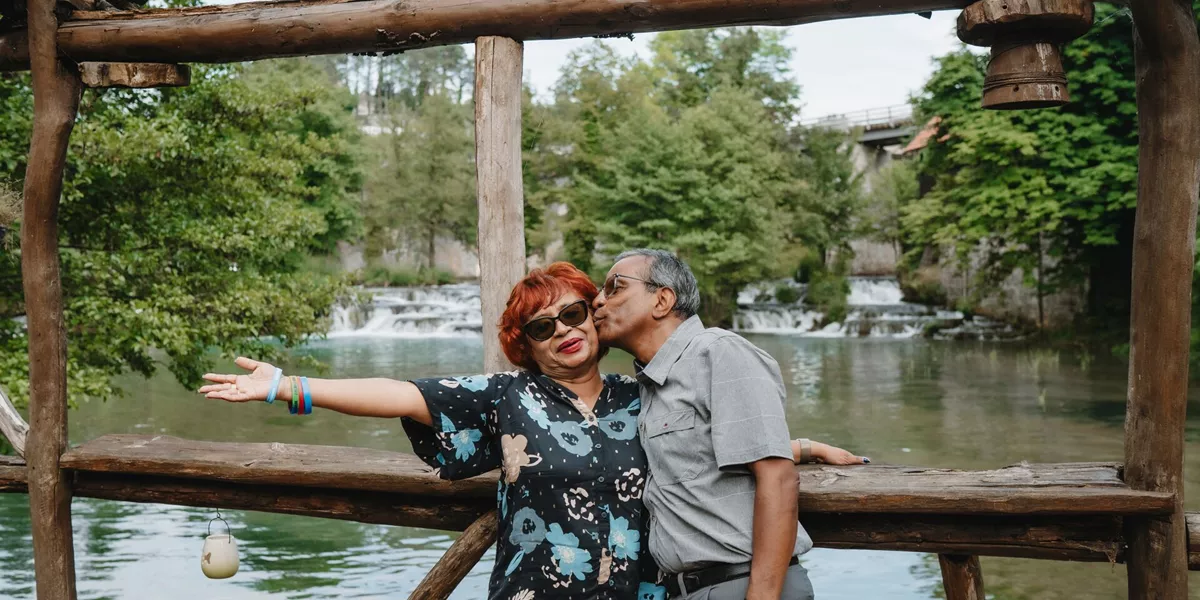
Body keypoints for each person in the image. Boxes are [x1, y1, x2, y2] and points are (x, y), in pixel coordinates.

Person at [199, 262, 862, 600]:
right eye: (542, 326)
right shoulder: (506, 398)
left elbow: (700, 447)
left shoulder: (646, 393)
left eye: (576, 313)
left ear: (595, 321)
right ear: (525, 344)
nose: (566, 331)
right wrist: (290, 386)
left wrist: (797, 447)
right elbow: (402, 392)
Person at [592, 249, 862, 600]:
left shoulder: (719, 353)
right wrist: (804, 447)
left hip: (744, 585)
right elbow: (702, 459)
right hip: (689, 589)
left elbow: (777, 479)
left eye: (615, 287)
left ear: (662, 300)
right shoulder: (652, 384)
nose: (598, 301)